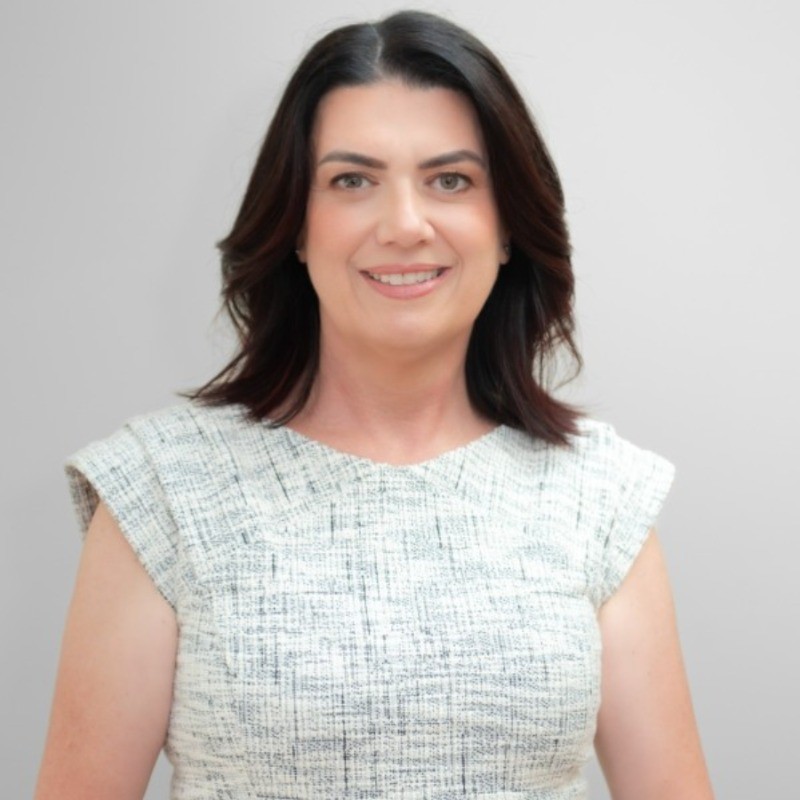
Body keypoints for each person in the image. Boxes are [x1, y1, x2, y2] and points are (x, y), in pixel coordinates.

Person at [35, 10, 713, 799]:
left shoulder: (600, 496)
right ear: (296, 225)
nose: (404, 225)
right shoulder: (162, 489)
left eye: (450, 180)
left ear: (507, 228)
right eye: (352, 181)